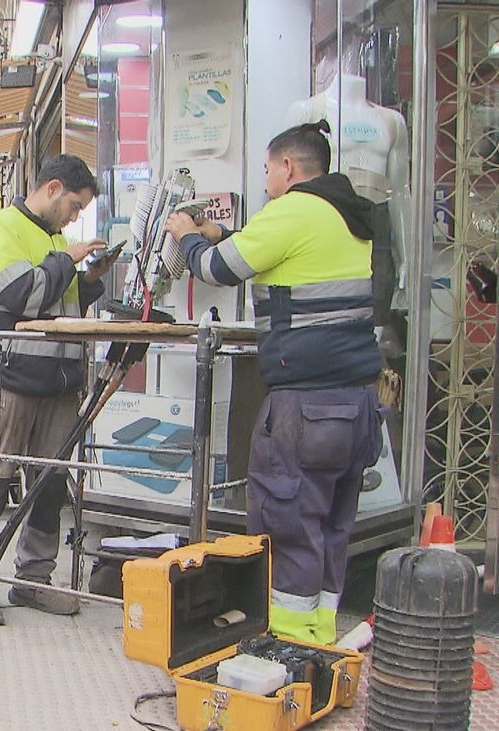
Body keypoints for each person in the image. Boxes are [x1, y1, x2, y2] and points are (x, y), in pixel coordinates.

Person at [164, 120, 383, 644]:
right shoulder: (346, 215)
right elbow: (278, 254)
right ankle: (320, 635)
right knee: (332, 525)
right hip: (356, 403)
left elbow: (218, 268)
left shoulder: (292, 210)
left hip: (307, 406)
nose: (265, 183)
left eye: (267, 171)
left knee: (288, 523)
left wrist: (188, 237)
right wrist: (223, 233)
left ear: (288, 168)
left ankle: (287, 647)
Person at [0, 156, 118, 626]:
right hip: (12, 378)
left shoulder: (55, 240)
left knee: (51, 483)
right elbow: (21, 294)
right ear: (53, 188)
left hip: (56, 383)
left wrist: (88, 281)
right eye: (74, 206)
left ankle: (34, 578)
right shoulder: (1, 229)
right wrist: (67, 261)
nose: (75, 218)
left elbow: (58, 300)